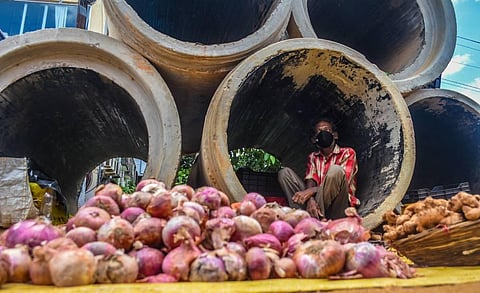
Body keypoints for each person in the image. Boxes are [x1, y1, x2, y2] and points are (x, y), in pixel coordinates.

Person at [278, 117, 359, 219]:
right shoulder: (313, 157)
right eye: (319, 131)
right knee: (285, 173)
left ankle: (313, 218)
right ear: (314, 139)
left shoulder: (347, 153)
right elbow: (310, 179)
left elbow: (342, 183)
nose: (323, 133)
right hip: (314, 202)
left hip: (338, 207)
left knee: (335, 170)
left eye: (326, 130)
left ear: (335, 135)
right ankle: (302, 216)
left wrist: (311, 191)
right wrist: (310, 199)